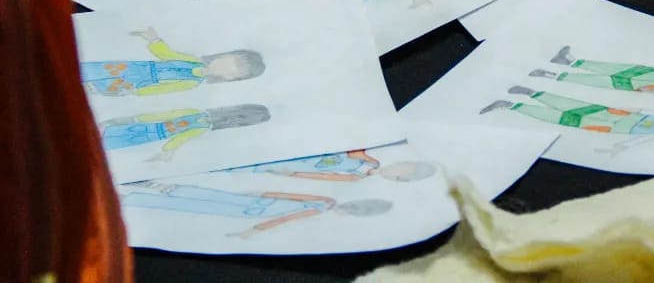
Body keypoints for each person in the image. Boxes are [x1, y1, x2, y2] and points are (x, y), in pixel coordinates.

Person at [119, 181, 391, 238]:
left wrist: (252, 230)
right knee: (204, 196)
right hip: (254, 208)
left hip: (251, 212)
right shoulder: (324, 204)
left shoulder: (323, 214)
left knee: (199, 201)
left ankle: (133, 197)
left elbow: (286, 218)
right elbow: (290, 202)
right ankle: (151, 188)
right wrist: (262, 194)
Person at [481, 85, 654, 138]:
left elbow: (651, 135)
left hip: (622, 127)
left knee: (567, 118)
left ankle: (513, 105)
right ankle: (530, 93)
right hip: (627, 119)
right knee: (576, 110)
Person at [81, 27, 265, 96]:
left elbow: (162, 89)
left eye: (228, 69)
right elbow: (167, 54)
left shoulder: (191, 83)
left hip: (140, 82)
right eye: (225, 60)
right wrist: (154, 39)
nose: (221, 64)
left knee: (98, 86)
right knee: (96, 70)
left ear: (229, 77)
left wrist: (136, 91)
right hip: (136, 67)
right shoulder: (193, 60)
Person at [99, 103, 270, 162]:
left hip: (149, 133)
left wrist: (168, 152)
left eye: (240, 119)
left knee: (108, 141)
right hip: (148, 131)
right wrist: (134, 119)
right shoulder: (198, 118)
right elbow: (168, 118)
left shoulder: (201, 124)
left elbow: (179, 137)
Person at [240, 150, 437, 184]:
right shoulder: (369, 160)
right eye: (402, 166)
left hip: (296, 166)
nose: (395, 171)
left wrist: (293, 174)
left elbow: (324, 177)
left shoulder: (356, 177)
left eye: (400, 175)